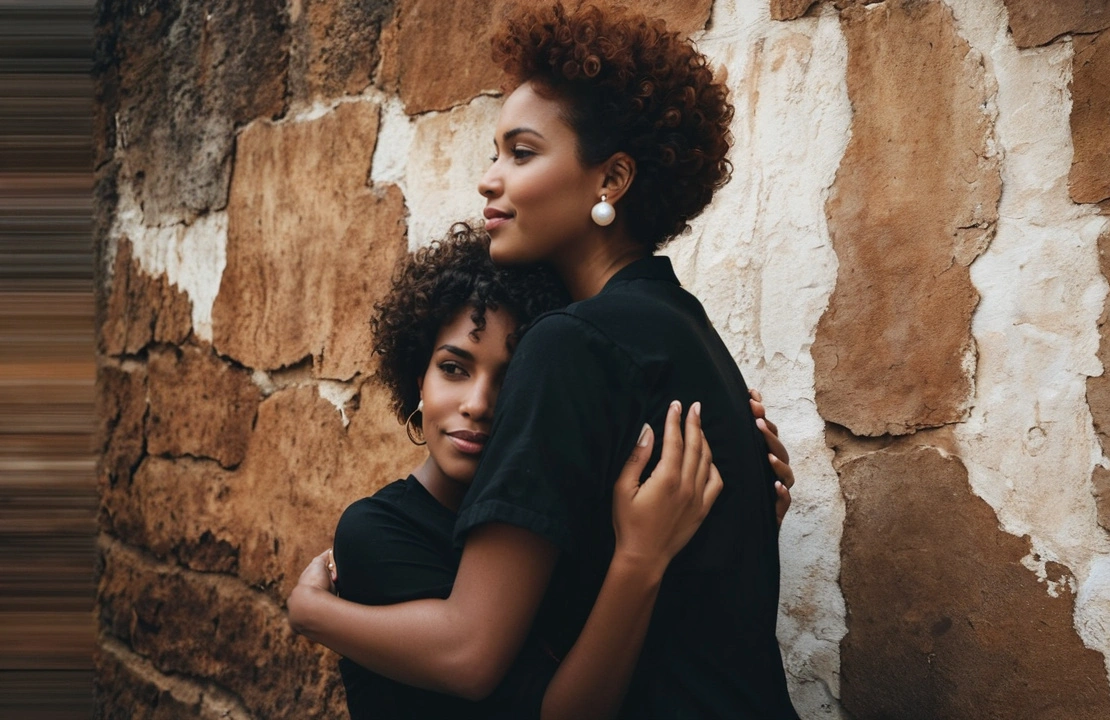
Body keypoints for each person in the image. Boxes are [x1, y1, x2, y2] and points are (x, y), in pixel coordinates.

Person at [289, 4, 800, 717]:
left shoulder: (570, 343)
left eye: (521, 154)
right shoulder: (682, 328)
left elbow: (471, 652)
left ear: (611, 181)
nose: (489, 180)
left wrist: (311, 612)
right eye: (496, 153)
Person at [289, 225, 793, 719]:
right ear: (417, 376)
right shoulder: (376, 532)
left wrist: (735, 504)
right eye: (454, 368)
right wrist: (637, 561)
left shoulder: (564, 525)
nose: (479, 403)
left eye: (511, 379)